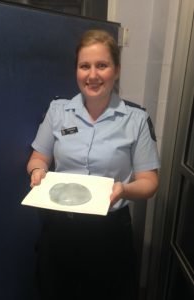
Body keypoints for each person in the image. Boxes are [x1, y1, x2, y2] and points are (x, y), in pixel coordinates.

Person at [27, 29, 160, 300]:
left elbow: (149, 182)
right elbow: (38, 157)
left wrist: (124, 190)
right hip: (60, 231)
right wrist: (38, 171)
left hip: (109, 234)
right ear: (76, 70)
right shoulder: (58, 112)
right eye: (84, 66)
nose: (92, 75)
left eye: (102, 65)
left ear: (117, 70)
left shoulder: (136, 119)